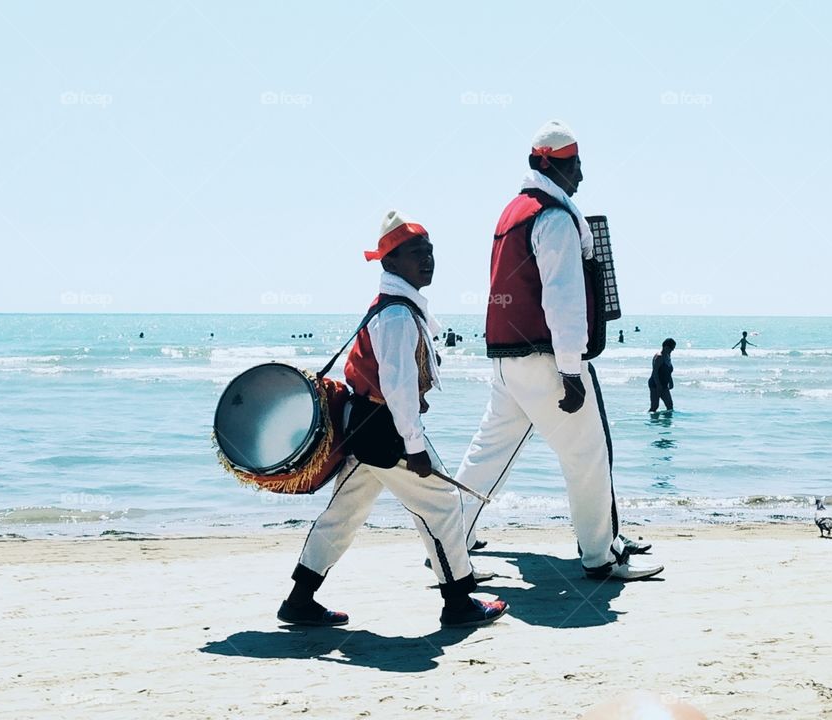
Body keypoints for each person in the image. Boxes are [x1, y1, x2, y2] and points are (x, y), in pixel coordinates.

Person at [453, 120, 662, 582]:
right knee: (587, 454)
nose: (582, 177)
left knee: (488, 454)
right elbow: (562, 300)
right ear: (556, 166)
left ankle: (450, 543)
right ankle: (601, 556)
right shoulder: (555, 218)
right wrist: (570, 371)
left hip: (506, 360)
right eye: (577, 167)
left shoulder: (511, 213)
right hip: (545, 359)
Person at [278, 210, 508, 629]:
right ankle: (458, 601)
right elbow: (400, 391)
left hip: (366, 428)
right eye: (416, 253)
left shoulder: (393, 308)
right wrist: (415, 449)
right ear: (390, 264)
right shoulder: (399, 316)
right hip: (386, 432)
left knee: (342, 515)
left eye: (430, 252)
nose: (428, 260)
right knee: (441, 507)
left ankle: (299, 600)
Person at [648, 338, 676, 412]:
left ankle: (666, 423)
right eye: (672, 348)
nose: (672, 350)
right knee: (654, 407)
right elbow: (655, 372)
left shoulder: (668, 356)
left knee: (670, 405)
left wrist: (671, 382)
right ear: (666, 347)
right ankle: (653, 422)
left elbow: (668, 370)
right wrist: (658, 385)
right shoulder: (659, 357)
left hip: (664, 385)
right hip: (655, 384)